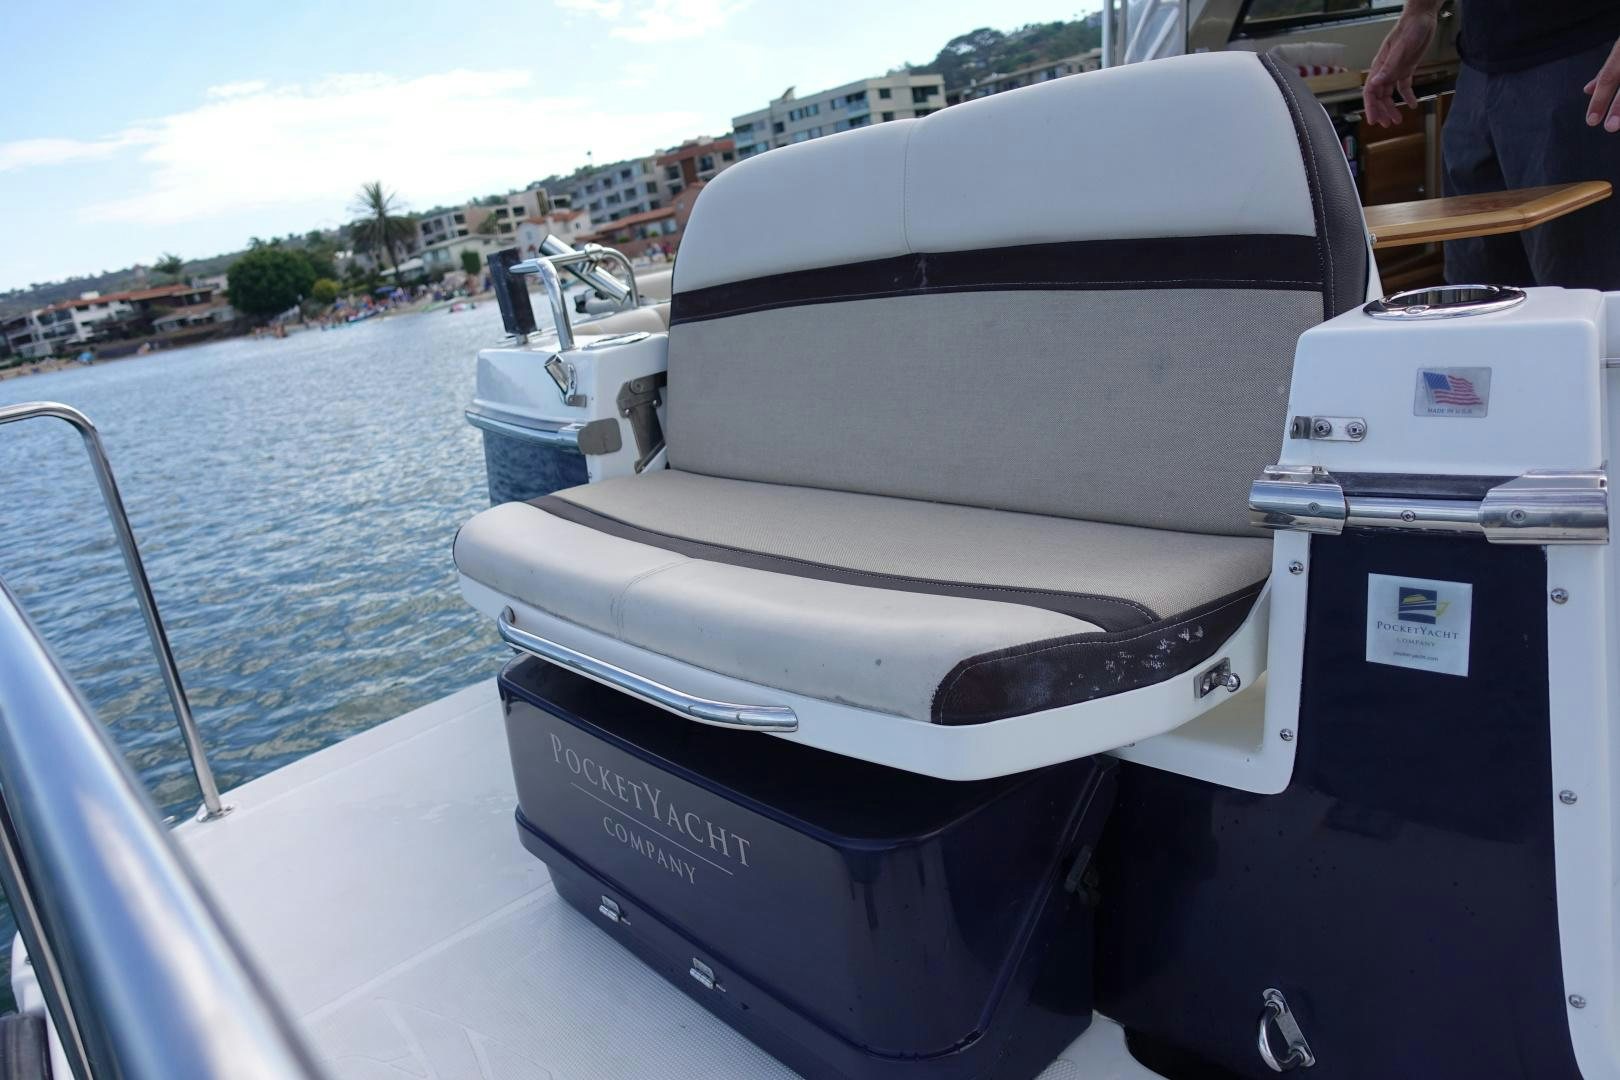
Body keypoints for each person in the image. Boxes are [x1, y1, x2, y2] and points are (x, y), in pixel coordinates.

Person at [1364, 0, 1620, 290]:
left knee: (1584, 295)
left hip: (1583, 65)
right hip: (1477, 71)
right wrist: (1420, 11)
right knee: (1474, 298)